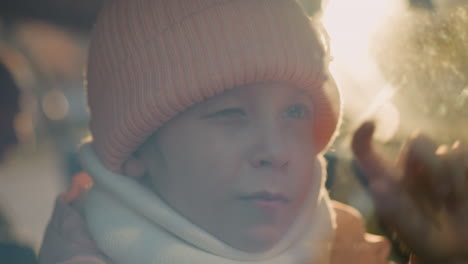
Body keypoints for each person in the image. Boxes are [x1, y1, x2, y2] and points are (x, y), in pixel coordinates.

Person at [38, 0, 394, 263]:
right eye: (230, 113)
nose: (275, 151)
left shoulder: (351, 251)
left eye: (295, 111)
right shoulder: (77, 252)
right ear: (136, 151)